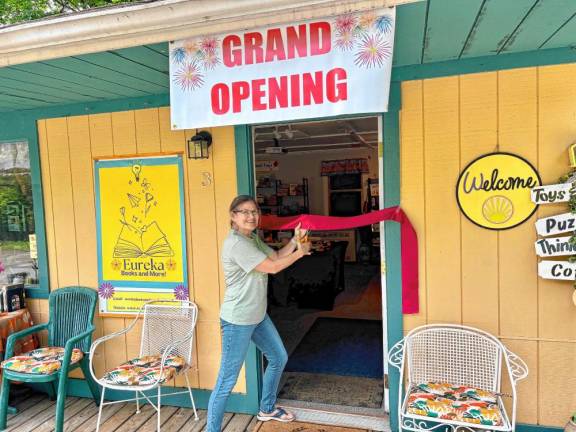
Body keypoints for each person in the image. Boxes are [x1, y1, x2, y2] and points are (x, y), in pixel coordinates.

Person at [206, 195, 311, 431]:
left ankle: (266, 409)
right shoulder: (236, 244)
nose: (251, 216)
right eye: (244, 212)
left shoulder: (251, 238)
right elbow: (273, 268)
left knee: (278, 357)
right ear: (233, 216)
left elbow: (274, 256)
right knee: (226, 381)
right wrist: (300, 253)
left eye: (254, 212)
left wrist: (295, 241)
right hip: (238, 320)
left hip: (257, 315)